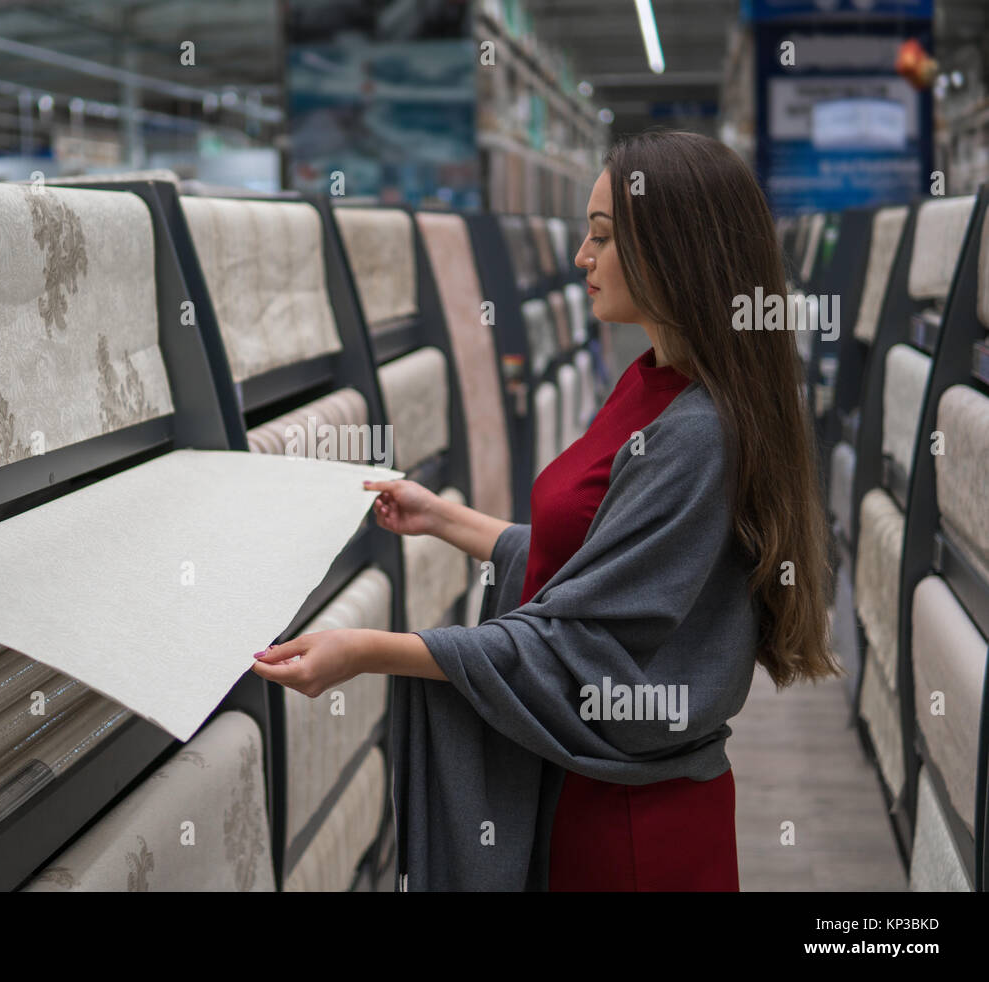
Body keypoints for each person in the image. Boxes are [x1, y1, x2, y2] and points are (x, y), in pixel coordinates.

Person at [251, 129, 838, 891]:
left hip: (630, 830)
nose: (579, 259)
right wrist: (443, 519)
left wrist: (367, 651)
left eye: (601, 237)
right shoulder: (651, 380)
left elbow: (582, 648)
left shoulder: (698, 435)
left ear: (674, 249)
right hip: (583, 786)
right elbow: (600, 562)